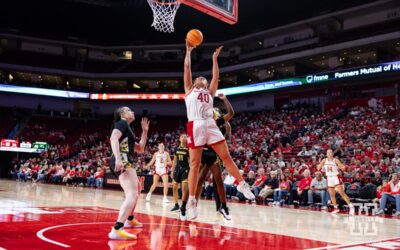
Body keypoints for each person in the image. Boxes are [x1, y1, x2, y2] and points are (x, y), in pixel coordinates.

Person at [183, 40, 254, 220]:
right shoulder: (189, 90)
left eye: (203, 79)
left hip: (210, 123)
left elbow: (215, 77)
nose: (202, 79)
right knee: (194, 164)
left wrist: (215, 59)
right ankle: (192, 202)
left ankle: (242, 184)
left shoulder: (210, 92)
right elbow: (187, 69)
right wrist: (188, 52)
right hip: (195, 124)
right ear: (194, 83)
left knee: (226, 157)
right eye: (199, 78)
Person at [108, 106, 149, 240]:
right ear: (122, 114)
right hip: (122, 159)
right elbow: (113, 138)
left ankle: (129, 219)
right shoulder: (122, 123)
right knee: (132, 194)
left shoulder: (128, 128)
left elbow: (140, 148)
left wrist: (144, 132)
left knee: (137, 189)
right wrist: (119, 159)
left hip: (125, 159)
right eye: (128, 110)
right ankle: (117, 229)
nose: (132, 111)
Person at [195, 96, 235, 220]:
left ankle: (220, 208)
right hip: (205, 152)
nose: (213, 114)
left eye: (214, 113)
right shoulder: (205, 122)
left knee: (217, 180)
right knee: (200, 179)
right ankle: (193, 205)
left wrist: (225, 99)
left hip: (217, 152)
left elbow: (228, 139)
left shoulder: (224, 124)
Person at [317, 149, 355, 215]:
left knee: (341, 193)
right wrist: (320, 166)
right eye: (327, 152)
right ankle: (336, 208)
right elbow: (318, 168)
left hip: (335, 177)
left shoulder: (335, 160)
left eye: (330, 152)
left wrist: (343, 167)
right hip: (329, 178)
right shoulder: (324, 160)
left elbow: (342, 166)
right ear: (326, 154)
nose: (329, 153)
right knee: (332, 195)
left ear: (332, 154)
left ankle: (351, 207)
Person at [170, 134, 190, 221]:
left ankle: (183, 205)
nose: (183, 138)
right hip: (177, 169)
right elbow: (174, 160)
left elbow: (190, 161)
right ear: (179, 138)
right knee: (174, 187)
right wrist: (172, 170)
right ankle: (176, 205)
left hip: (185, 169)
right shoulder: (176, 148)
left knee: (184, 188)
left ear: (187, 139)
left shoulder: (189, 149)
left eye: (185, 137)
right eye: (182, 136)